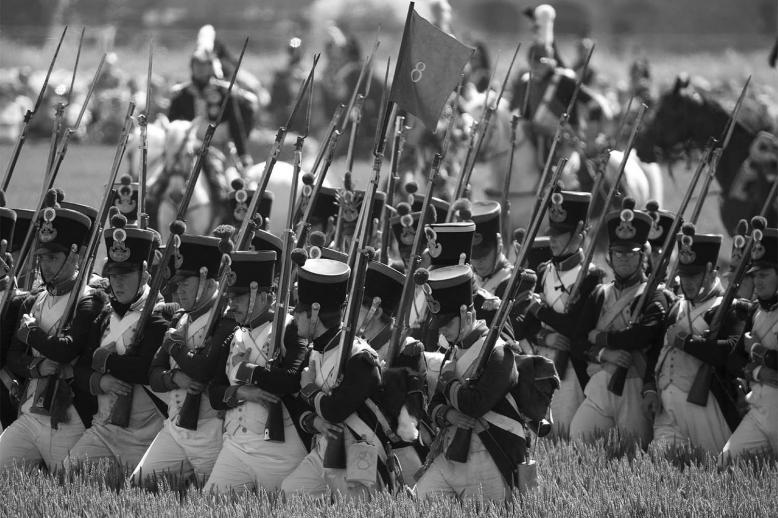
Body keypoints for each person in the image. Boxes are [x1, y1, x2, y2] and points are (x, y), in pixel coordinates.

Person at [0, 194, 99, 470]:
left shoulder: (89, 299)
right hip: (31, 413)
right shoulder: (34, 299)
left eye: (53, 257)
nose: (45, 264)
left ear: (75, 256)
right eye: (42, 257)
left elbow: (66, 350)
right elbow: (13, 358)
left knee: (69, 486)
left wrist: (32, 333)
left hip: (68, 416)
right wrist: (37, 366)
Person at [414, 265, 527, 500]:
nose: (443, 332)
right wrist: (448, 414)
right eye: (440, 325)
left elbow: (474, 405)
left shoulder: (498, 352)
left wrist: (448, 380)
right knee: (417, 503)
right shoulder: (453, 351)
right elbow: (433, 404)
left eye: (447, 323)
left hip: (490, 454)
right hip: (452, 452)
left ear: (466, 314)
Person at [67, 214, 168, 471]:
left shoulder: (159, 315)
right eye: (113, 274)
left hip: (146, 435)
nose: (118, 282)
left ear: (144, 275)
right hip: (104, 429)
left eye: (127, 274)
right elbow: (81, 369)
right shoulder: (104, 316)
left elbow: (144, 369)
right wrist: (101, 381)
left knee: (145, 487)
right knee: (69, 472)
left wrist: (105, 360)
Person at [205, 249, 310, 493]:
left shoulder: (290, 328)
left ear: (261, 295)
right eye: (230, 296)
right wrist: (242, 392)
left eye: (239, 297)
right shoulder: (235, 334)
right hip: (236, 446)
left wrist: (245, 370)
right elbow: (214, 394)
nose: (231, 304)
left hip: (279, 449)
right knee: (210, 503)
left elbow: (290, 381)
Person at [132, 231, 232, 486]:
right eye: (178, 284)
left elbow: (203, 370)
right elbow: (154, 374)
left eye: (185, 284)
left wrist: (175, 347)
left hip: (210, 429)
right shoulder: (180, 318)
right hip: (175, 427)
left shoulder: (225, 320)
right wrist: (175, 377)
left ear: (207, 282)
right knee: (138, 484)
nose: (178, 291)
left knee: (215, 501)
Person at [281, 258, 384, 497]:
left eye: (300, 312)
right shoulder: (316, 351)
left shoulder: (360, 357)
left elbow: (335, 410)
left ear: (314, 313)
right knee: (290, 492)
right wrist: (313, 421)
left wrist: (309, 388)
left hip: (358, 453)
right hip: (324, 449)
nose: (294, 317)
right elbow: (298, 402)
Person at [569, 198, 667, 446]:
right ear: (610, 256)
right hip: (601, 381)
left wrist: (600, 337)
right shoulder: (599, 294)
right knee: (578, 438)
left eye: (631, 253)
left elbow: (641, 337)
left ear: (643, 257)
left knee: (633, 450)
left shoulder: (654, 295)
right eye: (618, 253)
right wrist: (605, 353)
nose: (623, 258)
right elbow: (577, 342)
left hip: (634, 386)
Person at [643, 225, 745, 453]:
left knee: (712, 467)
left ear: (711, 273)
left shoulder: (730, 308)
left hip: (706, 406)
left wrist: (685, 341)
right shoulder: (675, 307)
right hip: (666, 407)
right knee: (658, 463)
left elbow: (728, 352)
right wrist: (649, 388)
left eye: (694, 276)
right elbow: (656, 351)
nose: (687, 282)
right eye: (684, 275)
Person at [514, 191, 605, 437]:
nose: (553, 239)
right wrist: (545, 336)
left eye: (561, 234)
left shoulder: (592, 276)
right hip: (540, 360)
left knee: (564, 434)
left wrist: (539, 310)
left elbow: (575, 328)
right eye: (552, 232)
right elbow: (523, 325)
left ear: (579, 235)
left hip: (571, 369)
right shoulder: (544, 270)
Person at [721, 224, 778, 463]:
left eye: (763, 275)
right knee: (726, 462)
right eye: (754, 276)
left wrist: (756, 350)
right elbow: (733, 359)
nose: (757, 282)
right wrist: (757, 371)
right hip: (759, 410)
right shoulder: (755, 309)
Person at [168, 30, 255, 168]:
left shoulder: (224, 92)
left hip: (220, 151)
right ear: (192, 66)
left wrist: (243, 154)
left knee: (231, 179)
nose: (200, 69)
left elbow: (236, 126)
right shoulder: (181, 94)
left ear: (211, 67)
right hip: (188, 151)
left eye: (204, 65)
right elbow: (172, 127)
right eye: (197, 64)